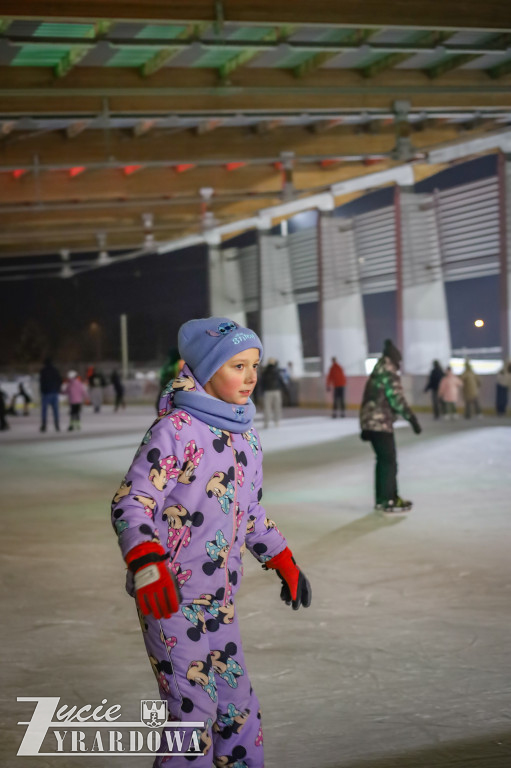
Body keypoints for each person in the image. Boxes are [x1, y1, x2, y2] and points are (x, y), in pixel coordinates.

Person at [111, 317, 311, 768]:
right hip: (170, 598)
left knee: (239, 709)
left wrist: (283, 558)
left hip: (221, 600)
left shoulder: (247, 435)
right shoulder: (177, 430)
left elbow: (250, 511)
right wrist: (148, 564)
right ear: (205, 370)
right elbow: (132, 502)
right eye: (237, 366)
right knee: (191, 713)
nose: (251, 377)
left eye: (254, 365)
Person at [360, 339, 422, 516]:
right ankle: (389, 499)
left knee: (383, 461)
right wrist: (412, 418)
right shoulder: (388, 370)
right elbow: (396, 398)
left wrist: (364, 425)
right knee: (388, 461)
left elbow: (368, 396)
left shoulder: (378, 369)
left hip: (372, 421)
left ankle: (383, 499)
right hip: (380, 422)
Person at [261, 358, 285, 428]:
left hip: (267, 392)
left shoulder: (265, 372)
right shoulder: (277, 371)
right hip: (276, 391)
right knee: (277, 407)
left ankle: (266, 422)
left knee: (267, 408)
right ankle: (276, 421)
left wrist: (261, 392)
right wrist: (285, 390)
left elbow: (262, 383)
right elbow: (281, 381)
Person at [39, 357, 62, 432]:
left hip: (46, 393)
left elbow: (41, 382)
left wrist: (42, 391)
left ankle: (44, 425)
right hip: (54, 392)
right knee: (55, 410)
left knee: (44, 410)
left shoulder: (43, 371)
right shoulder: (55, 370)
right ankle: (57, 425)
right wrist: (57, 388)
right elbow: (59, 380)